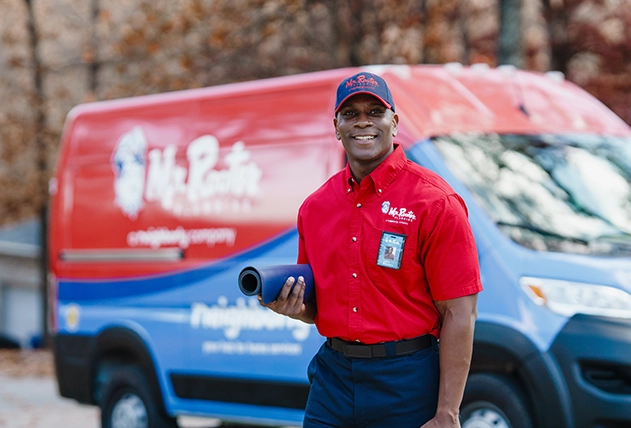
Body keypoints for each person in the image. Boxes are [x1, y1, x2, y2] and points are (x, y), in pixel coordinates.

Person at [260, 71, 482, 428]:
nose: (362, 122)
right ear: (336, 127)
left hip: (407, 382)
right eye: (350, 114)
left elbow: (461, 313)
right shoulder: (315, 208)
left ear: (394, 122)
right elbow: (316, 307)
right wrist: (293, 307)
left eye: (374, 112)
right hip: (333, 379)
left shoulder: (435, 202)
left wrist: (447, 412)